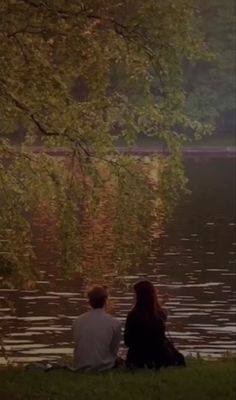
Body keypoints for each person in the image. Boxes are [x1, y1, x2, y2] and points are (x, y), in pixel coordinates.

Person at [124, 280, 185, 369]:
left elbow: (128, 342)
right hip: (158, 359)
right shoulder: (159, 316)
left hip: (137, 359)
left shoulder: (132, 316)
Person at [72, 285, 122, 372]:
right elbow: (114, 351)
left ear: (89, 302)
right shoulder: (115, 322)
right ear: (105, 301)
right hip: (104, 367)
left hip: (80, 366)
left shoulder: (77, 321)